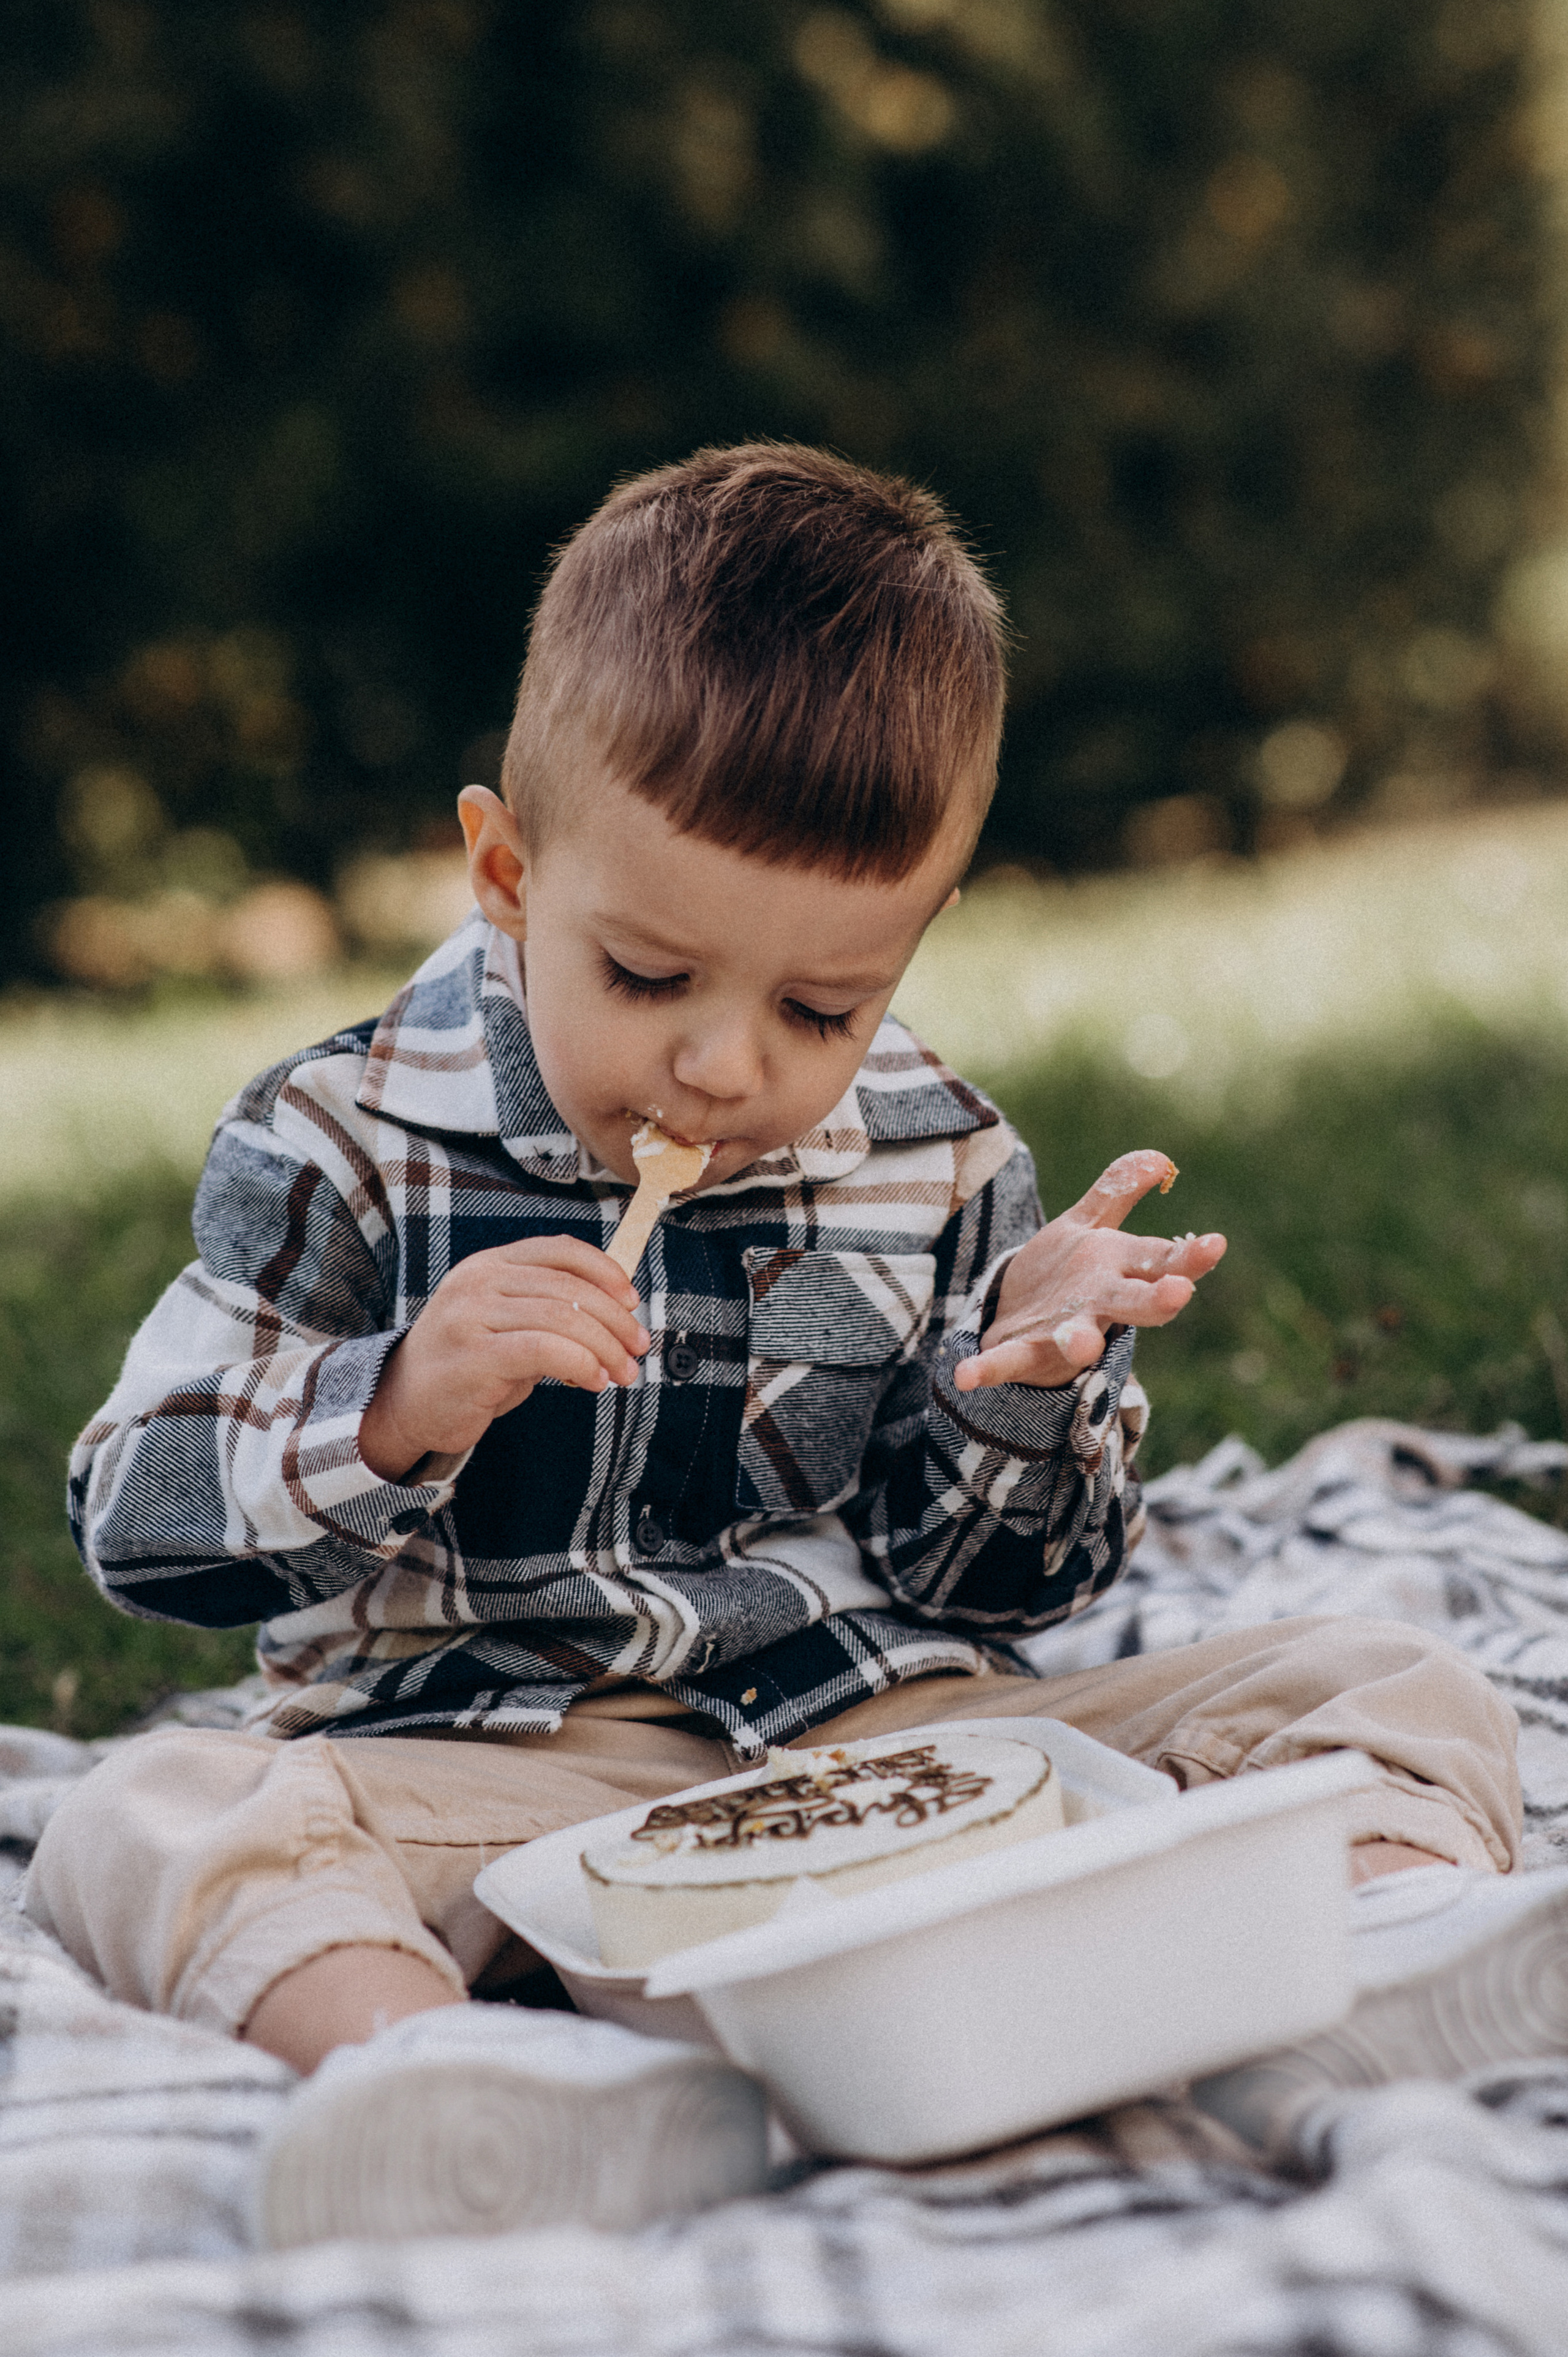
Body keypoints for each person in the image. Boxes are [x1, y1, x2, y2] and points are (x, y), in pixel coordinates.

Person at [26, 445, 1553, 2239]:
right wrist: (394, 1406)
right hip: (503, 1790)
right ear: (507, 871)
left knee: (1390, 1676)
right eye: (651, 978)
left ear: (914, 946)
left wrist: (1035, 1399)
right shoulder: (342, 1138)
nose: (728, 1068)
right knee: (152, 1813)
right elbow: (131, 1514)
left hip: (889, 1747)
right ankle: (446, 2082)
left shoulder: (942, 1153)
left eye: (825, 1005)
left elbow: (992, 1586)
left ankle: (1357, 1986)